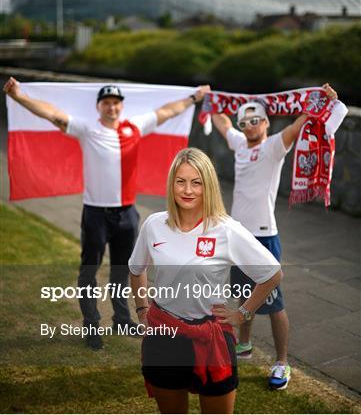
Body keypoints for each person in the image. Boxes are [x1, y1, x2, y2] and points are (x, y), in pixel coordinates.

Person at [3, 77, 210, 350]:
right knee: (89, 270)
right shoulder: (87, 128)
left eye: (115, 103)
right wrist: (18, 96)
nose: (111, 108)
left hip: (126, 213)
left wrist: (194, 98)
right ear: (99, 106)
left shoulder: (135, 126)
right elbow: (52, 113)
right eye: (106, 103)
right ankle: (91, 325)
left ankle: (122, 320)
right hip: (96, 214)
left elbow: (167, 111)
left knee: (121, 270)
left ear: (120, 107)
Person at [211, 83, 345, 390]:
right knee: (245, 295)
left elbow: (301, 122)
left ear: (266, 122)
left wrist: (325, 99)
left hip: (264, 238)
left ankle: (283, 362)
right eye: (244, 122)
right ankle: (244, 346)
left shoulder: (273, 145)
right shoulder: (240, 144)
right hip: (238, 236)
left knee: (274, 304)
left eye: (255, 120)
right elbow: (221, 121)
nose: (249, 126)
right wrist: (211, 98)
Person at [129, 147, 282, 414]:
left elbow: (271, 273)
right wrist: (142, 310)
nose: (187, 190)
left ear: (208, 185)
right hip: (164, 336)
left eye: (196, 182)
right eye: (180, 181)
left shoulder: (226, 229)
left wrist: (243, 313)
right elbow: (135, 268)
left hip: (212, 339)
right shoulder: (154, 224)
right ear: (171, 184)